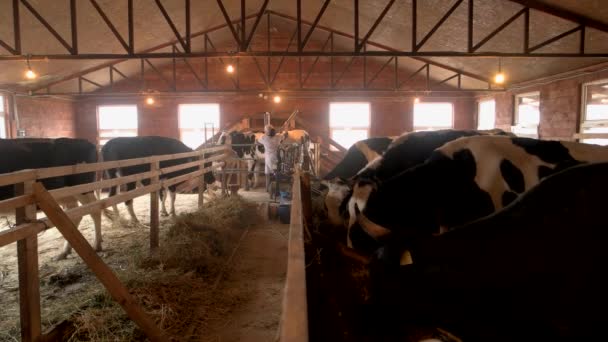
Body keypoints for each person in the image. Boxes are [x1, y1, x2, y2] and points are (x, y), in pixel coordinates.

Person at [257, 124, 283, 192]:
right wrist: (284, 128)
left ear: (266, 132)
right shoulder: (278, 137)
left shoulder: (264, 138)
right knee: (275, 172)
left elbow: (258, 140)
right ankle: (275, 188)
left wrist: (265, 133)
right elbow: (284, 135)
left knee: (268, 174)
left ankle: (268, 188)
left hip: (268, 158)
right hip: (275, 157)